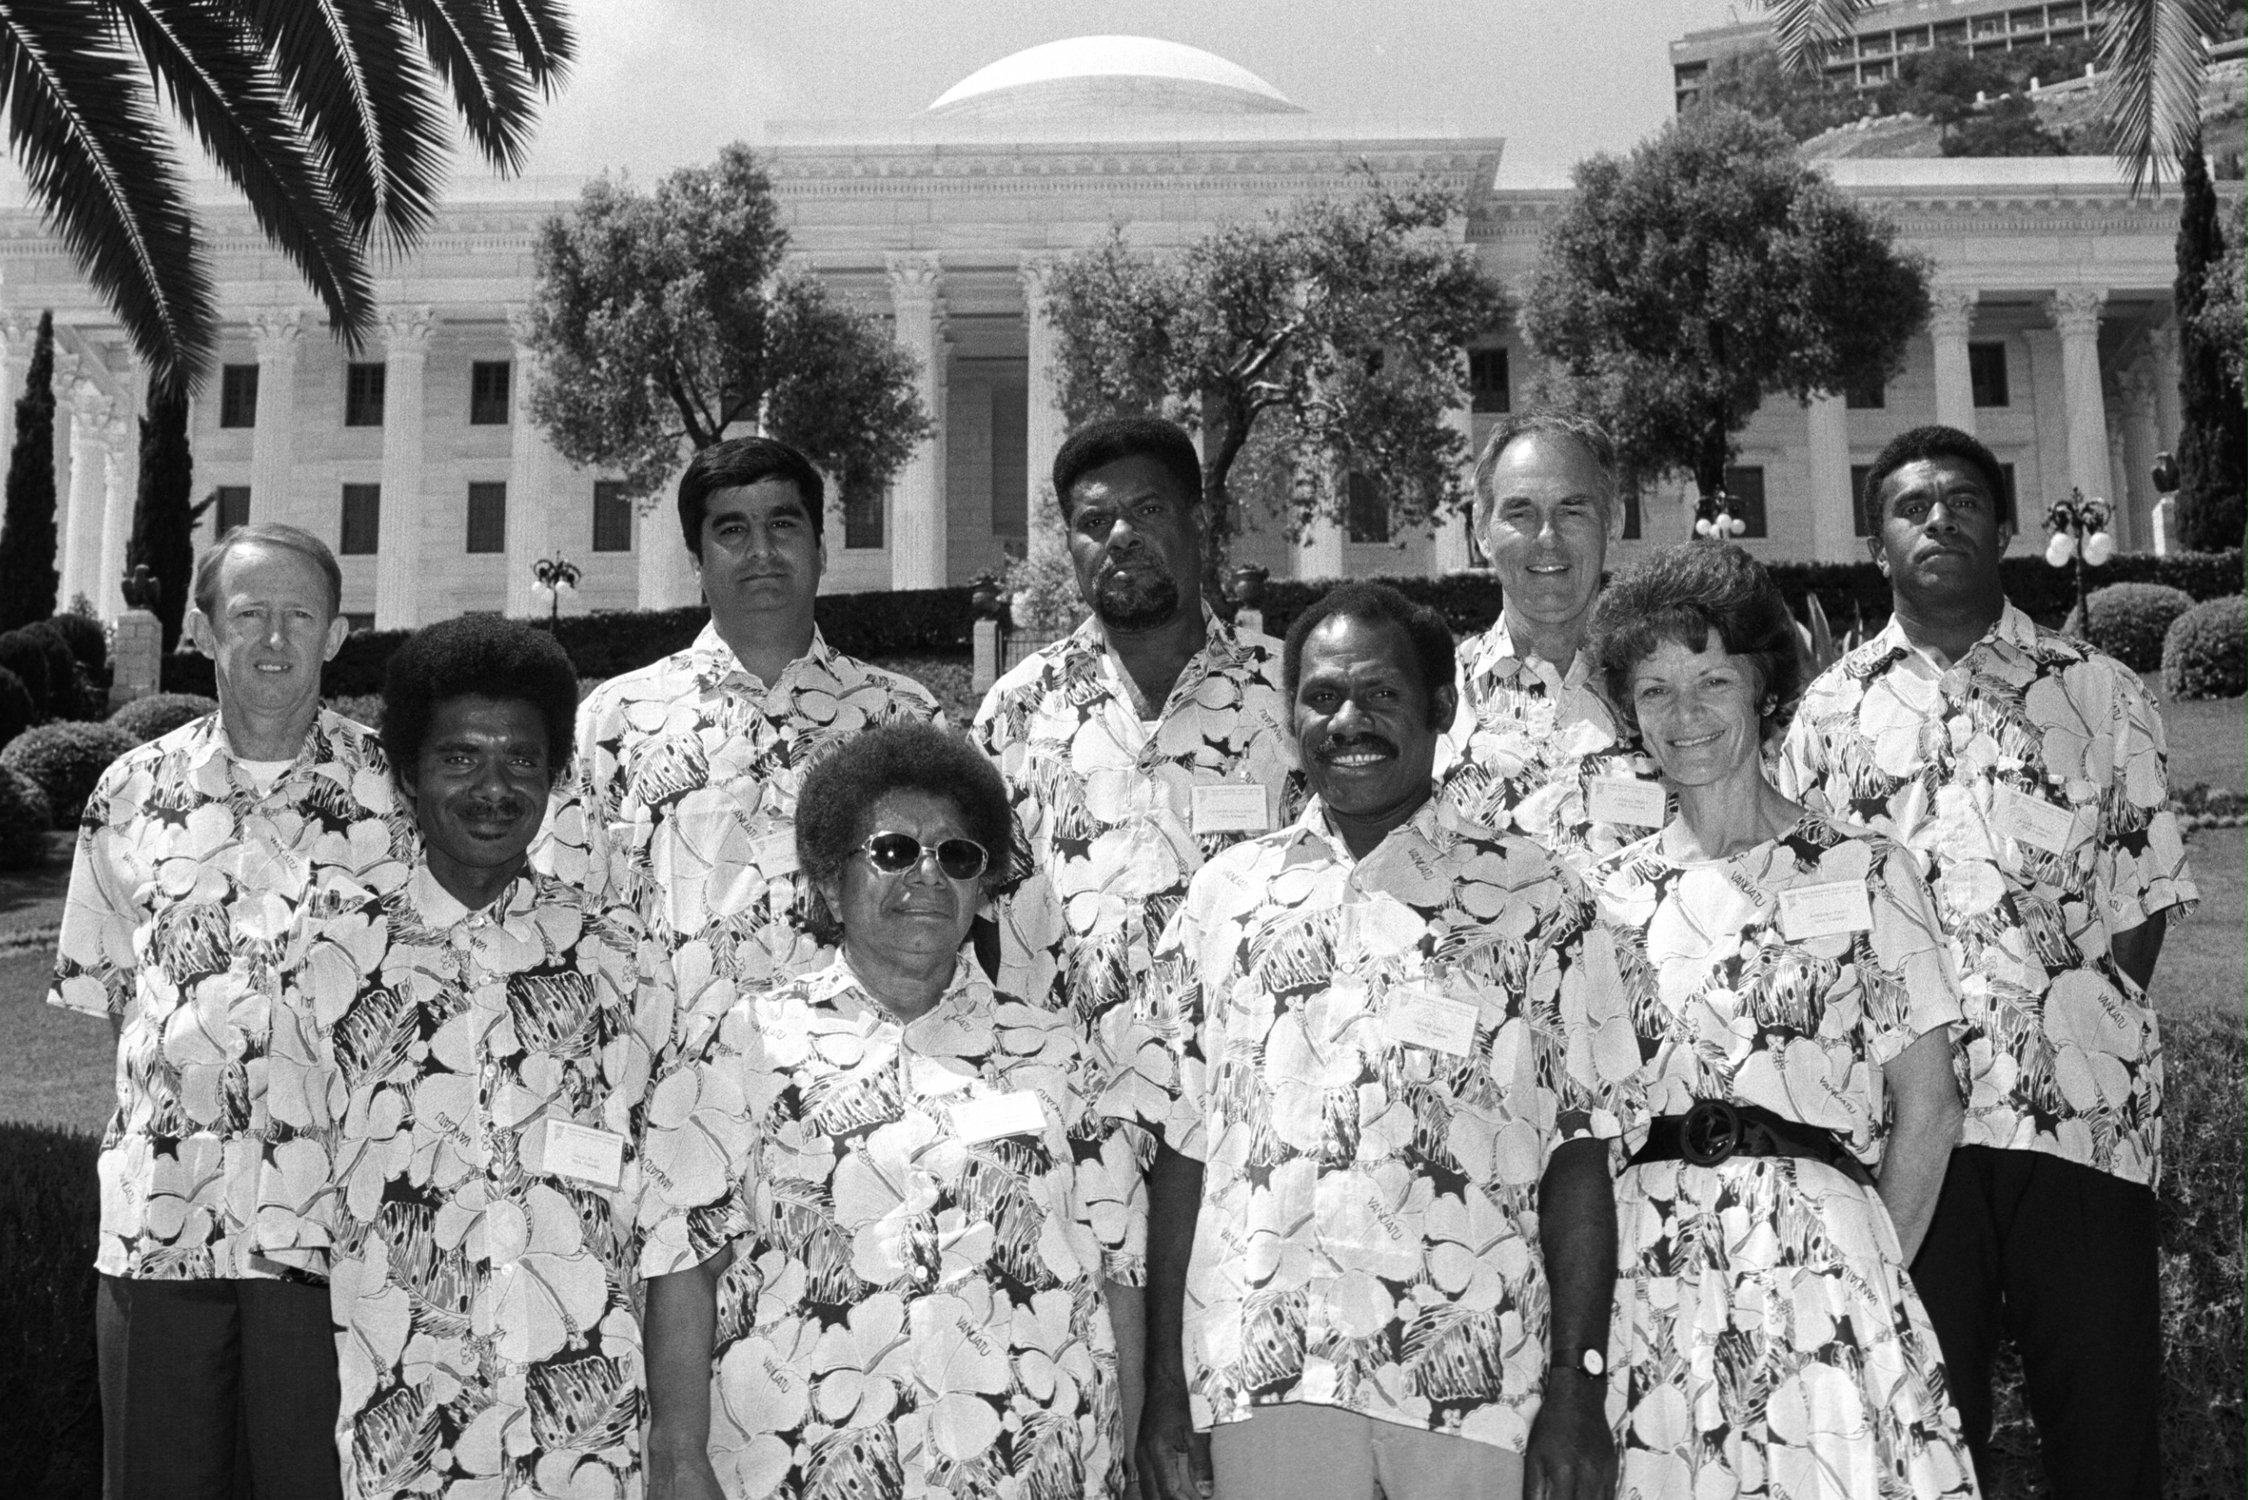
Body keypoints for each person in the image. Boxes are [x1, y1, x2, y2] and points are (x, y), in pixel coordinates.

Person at [1135, 582, 1634, 1500]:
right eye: (1322, 697)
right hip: (1268, 1380)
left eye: (1382, 695)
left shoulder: (1535, 899)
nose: (1348, 720)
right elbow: (1182, 1153)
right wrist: (1165, 1392)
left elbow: (1579, 1158)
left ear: (1442, 707)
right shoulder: (1224, 903)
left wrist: (1578, 1385)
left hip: (1475, 1381)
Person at [1774, 425, 2196, 1500]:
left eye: (1962, 499)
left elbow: (2142, 895)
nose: (1939, 519)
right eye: (1911, 506)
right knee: (1918, 1443)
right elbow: (1806, 925)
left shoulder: (2097, 692)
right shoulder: (1828, 717)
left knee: (2104, 1442)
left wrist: (2067, 1018)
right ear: (1876, 545)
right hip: (1906, 1148)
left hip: (2079, 1129)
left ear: (2003, 525)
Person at [639, 722, 1141, 1500]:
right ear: (831, 884)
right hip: (803, 1469)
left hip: (1029, 1471)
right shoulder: (743, 1045)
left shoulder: (1057, 1051)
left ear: (982, 888)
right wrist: (678, 1457)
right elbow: (683, 1261)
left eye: (957, 856)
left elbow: (1120, 1272)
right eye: (895, 851)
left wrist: (1129, 1456)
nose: (928, 875)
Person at [1582, 541, 1975, 1499]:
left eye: (1713, 679)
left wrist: (1862, 1262)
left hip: (1822, 1267)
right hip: (1651, 1282)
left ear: (1763, 688)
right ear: (1629, 716)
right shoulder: (1601, 900)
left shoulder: (1869, 871)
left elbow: (1929, 1107)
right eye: (1656, 690)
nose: (1687, 715)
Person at [48, 522, 412, 1499]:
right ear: (204, 631)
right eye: (248, 614)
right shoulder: (128, 793)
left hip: (336, 1241)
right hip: (162, 1229)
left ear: (338, 634)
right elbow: (110, 998)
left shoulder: (402, 797)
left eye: (300, 615)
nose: (274, 639)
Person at [296, 616, 657, 1499]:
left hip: (589, 1445)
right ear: (410, 772)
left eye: (523, 761)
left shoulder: (622, 963)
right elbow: (293, 1228)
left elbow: (673, 1221)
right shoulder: (326, 968)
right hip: (406, 1441)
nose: (494, 787)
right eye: (459, 758)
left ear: (556, 775)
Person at [971, 413, 1299, 1282]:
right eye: (1092, 521)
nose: (1120, 536)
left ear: (1198, 523)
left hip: (1253, 1130)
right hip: (1073, 1141)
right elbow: (976, 921)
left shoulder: (1289, 701)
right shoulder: (1016, 714)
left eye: (1147, 511)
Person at [539, 436, 942, 1068]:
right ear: (696, 561)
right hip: (681, 1100)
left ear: (820, 549)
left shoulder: (903, 719)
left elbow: (961, 913)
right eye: (731, 530)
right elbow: (561, 918)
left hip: (872, 1104)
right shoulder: (614, 723)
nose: (760, 550)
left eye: (783, 523)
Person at [1438, 414, 1667, 871]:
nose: (1547, 537)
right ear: (1482, 529)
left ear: (1614, 520)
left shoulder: (1674, 695)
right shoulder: (1432, 706)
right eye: (1520, 513)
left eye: (1572, 509)